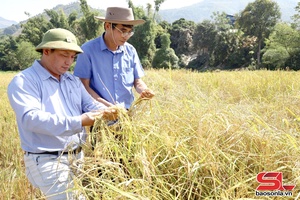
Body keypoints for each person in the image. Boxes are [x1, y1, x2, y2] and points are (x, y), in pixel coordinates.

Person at [7, 28, 118, 199]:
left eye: (72, 57)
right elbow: (31, 119)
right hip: (47, 159)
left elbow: (90, 105)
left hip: (76, 157)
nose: (69, 62)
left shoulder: (72, 81)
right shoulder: (25, 81)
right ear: (46, 51)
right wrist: (80, 121)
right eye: (64, 55)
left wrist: (109, 113)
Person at [74, 7, 154, 111]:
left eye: (130, 32)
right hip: (100, 114)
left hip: (127, 114)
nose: (126, 36)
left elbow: (137, 81)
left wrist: (144, 90)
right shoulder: (88, 50)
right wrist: (108, 107)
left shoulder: (130, 51)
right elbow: (84, 87)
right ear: (108, 26)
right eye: (123, 31)